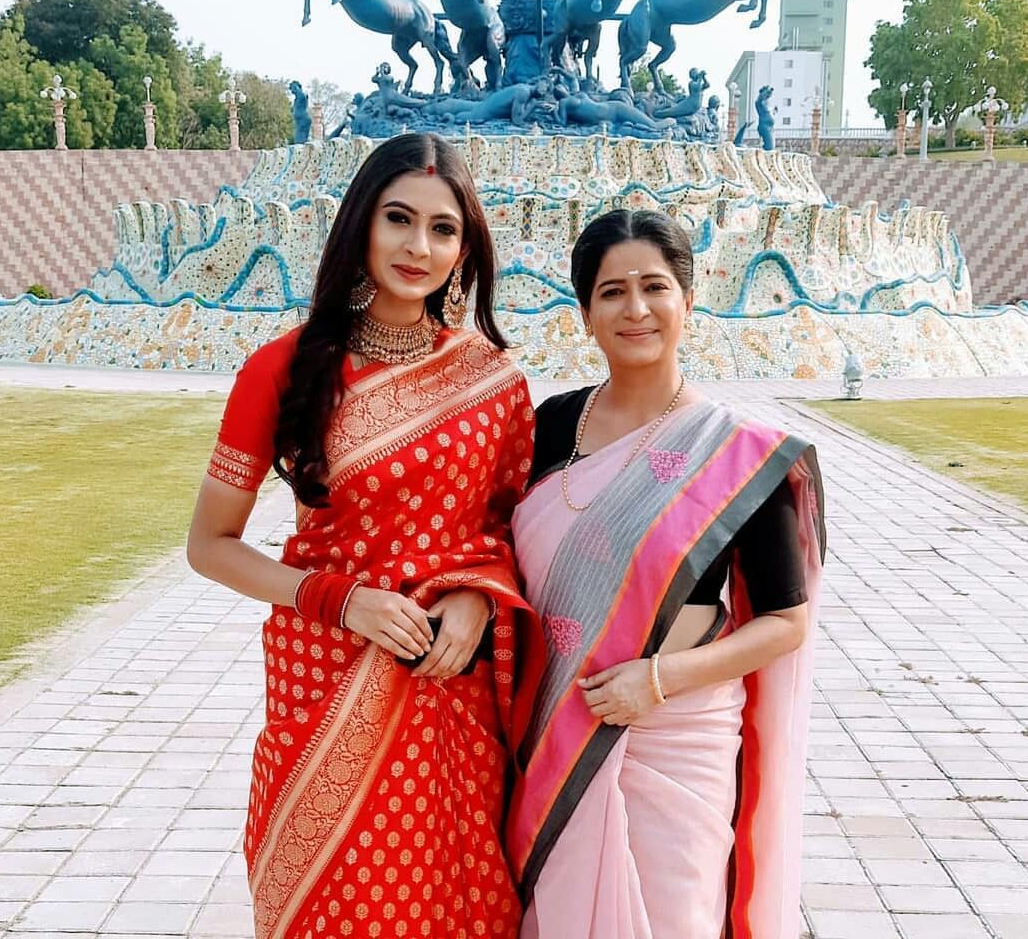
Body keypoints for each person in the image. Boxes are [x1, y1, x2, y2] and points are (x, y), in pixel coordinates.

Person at [188, 132, 544, 939]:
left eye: (444, 229)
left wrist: (479, 604)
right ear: (361, 223)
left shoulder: (493, 381)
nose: (419, 247)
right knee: (325, 904)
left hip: (447, 685)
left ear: (466, 246)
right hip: (323, 676)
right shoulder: (283, 367)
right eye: (398, 218)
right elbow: (210, 543)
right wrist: (339, 600)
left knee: (449, 902)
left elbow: (512, 533)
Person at [505, 208, 826, 939]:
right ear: (584, 313)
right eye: (611, 291)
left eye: (654, 286)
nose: (636, 308)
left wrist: (657, 681)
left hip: (679, 737)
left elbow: (786, 620)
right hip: (558, 728)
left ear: (688, 299)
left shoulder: (736, 453)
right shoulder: (549, 427)